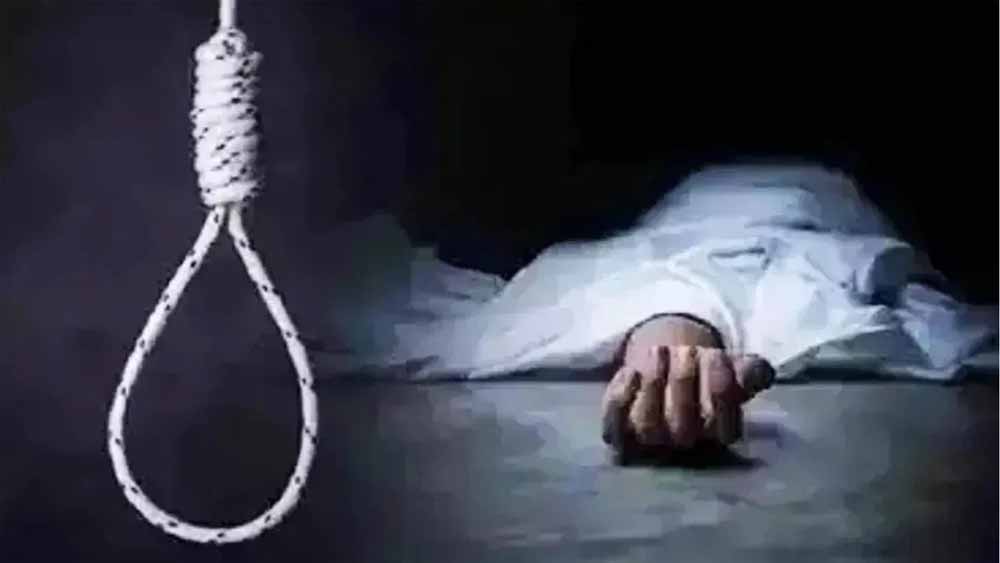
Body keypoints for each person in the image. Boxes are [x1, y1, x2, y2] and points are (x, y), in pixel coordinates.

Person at [308, 162, 997, 454]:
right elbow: (680, 264)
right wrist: (672, 333)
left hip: (814, 203)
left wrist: (676, 335)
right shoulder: (649, 242)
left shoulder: (824, 234)